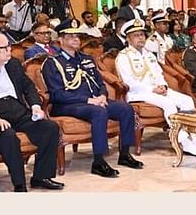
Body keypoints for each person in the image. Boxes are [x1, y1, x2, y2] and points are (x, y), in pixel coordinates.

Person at [41, 22, 144, 177]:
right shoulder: (53, 63)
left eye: (77, 36)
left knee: (125, 109)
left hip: (95, 100)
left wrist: (102, 95)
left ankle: (124, 154)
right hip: (68, 104)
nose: (76, 39)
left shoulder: (86, 59)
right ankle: (98, 161)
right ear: (60, 41)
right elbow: (57, 94)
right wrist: (89, 100)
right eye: (71, 36)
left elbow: (99, 83)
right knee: (99, 112)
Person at [115, 19, 196, 156]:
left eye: (142, 35)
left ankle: (194, 138)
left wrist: (163, 85)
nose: (140, 38)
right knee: (169, 104)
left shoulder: (149, 54)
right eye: (136, 35)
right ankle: (183, 142)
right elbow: (129, 82)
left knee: (187, 100)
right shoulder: (123, 57)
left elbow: (158, 73)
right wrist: (152, 89)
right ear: (128, 38)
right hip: (139, 93)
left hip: (158, 90)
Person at [0, 32, 62, 192]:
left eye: (9, 46)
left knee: (50, 128)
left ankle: (41, 177)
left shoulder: (13, 64)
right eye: (4, 47)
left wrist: (35, 106)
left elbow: (28, 86)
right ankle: (19, 184)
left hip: (16, 109)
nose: (9, 50)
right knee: (8, 136)